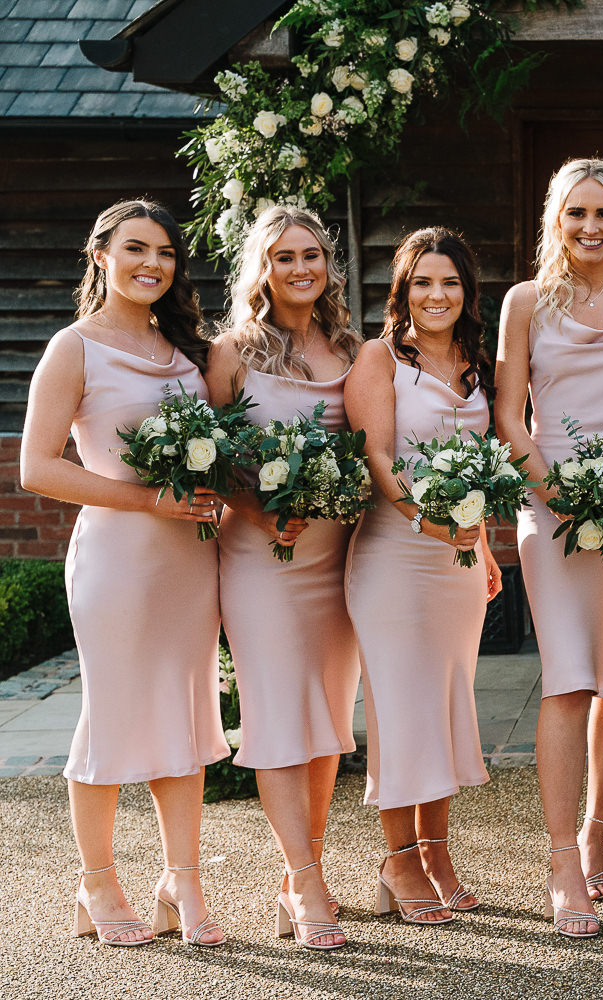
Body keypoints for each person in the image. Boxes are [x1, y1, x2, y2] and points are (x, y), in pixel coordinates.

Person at [20, 200, 228, 946]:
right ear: (101, 254)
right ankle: (97, 884)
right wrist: (148, 499)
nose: (153, 263)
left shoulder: (186, 349)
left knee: (187, 710)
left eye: (167, 252)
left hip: (188, 558)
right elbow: (37, 467)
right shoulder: (73, 348)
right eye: (136, 248)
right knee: (111, 716)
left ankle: (183, 880)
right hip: (118, 558)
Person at [497, 159, 603, 937]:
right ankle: (562, 859)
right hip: (552, 507)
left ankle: (599, 828)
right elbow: (508, 416)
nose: (591, 228)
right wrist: (561, 492)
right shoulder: (525, 302)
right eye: (576, 214)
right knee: (567, 678)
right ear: (555, 221)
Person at [206, 206, 363, 947]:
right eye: (283, 258)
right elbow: (206, 457)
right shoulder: (232, 351)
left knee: (329, 726)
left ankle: (306, 872)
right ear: (261, 270)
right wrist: (256, 507)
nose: (300, 269)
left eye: (311, 255)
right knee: (277, 718)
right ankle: (306, 884)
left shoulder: (352, 349)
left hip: (338, 560)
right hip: (261, 557)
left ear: (328, 265)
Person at [344, 228, 500, 927]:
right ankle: (397, 858)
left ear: (467, 292)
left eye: (450, 283)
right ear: (402, 291)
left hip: (458, 566)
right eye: (423, 283)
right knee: (403, 712)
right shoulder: (380, 360)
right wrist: (427, 522)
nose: (437, 296)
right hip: (395, 558)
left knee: (444, 707)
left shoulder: (474, 361)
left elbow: (481, 465)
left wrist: (484, 546)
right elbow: (377, 458)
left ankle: (436, 853)